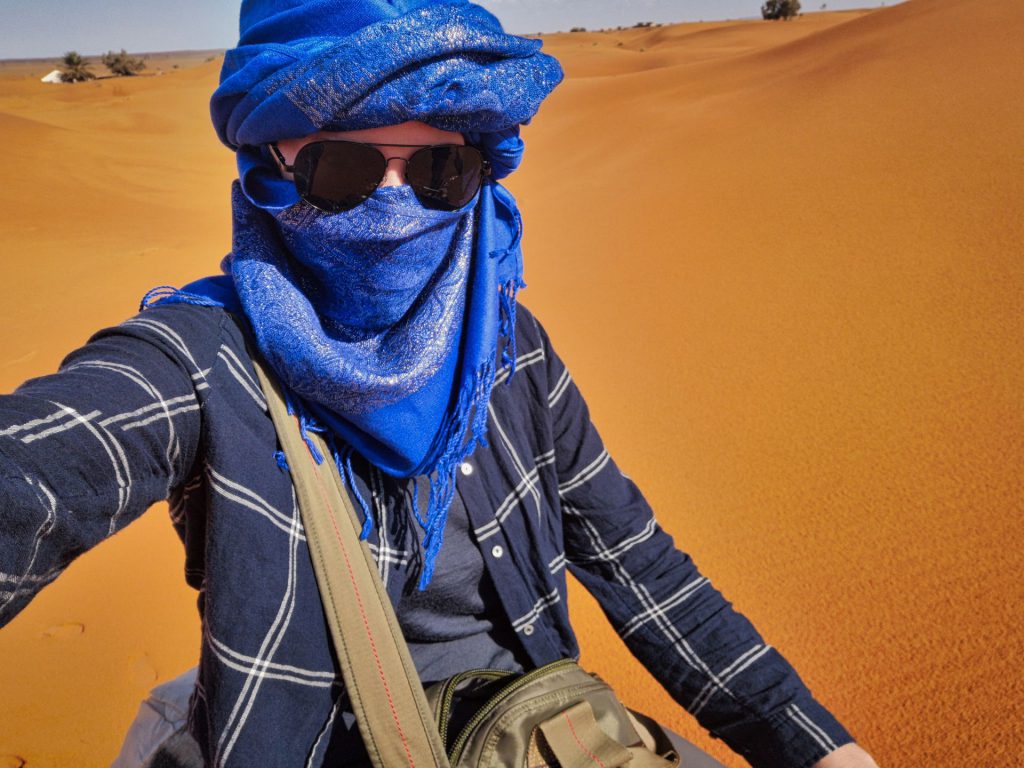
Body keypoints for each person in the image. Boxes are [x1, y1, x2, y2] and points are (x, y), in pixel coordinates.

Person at [0, 1, 880, 767]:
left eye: (438, 172)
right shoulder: (206, 358)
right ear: (271, 168)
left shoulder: (505, 346)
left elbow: (640, 565)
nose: (399, 205)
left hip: (534, 720)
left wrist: (817, 745)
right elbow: (40, 467)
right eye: (342, 170)